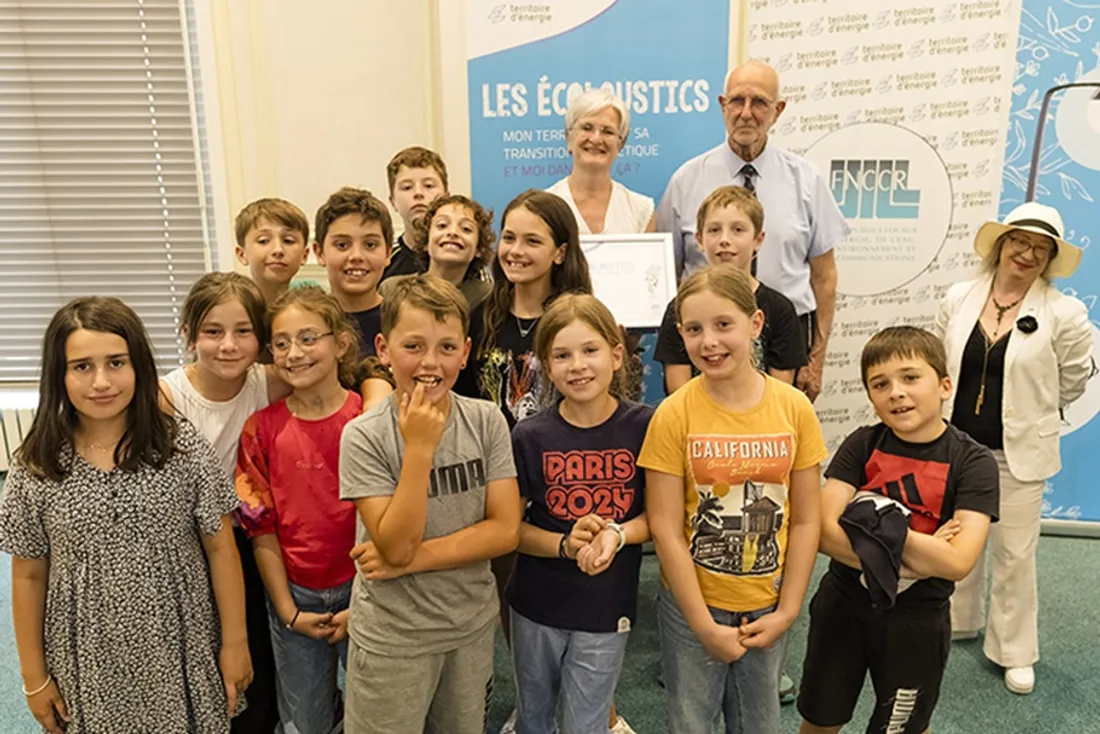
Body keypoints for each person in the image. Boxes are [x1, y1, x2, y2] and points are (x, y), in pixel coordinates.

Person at [0, 297, 251, 734]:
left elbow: (220, 548)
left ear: (139, 366)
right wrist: (32, 678)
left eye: (116, 362)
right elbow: (27, 575)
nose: (101, 381)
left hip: (178, 642)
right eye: (81, 366)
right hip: (86, 651)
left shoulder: (181, 448)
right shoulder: (36, 465)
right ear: (58, 376)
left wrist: (235, 642)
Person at [639, 266, 826, 734]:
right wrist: (702, 624)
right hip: (691, 608)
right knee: (691, 720)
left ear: (755, 324)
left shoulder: (794, 409)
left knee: (760, 723)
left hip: (767, 602)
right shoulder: (672, 414)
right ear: (680, 335)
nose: (710, 342)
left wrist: (787, 610)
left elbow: (805, 519)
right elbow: (664, 526)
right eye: (694, 329)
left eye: (724, 325)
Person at [340, 274, 522, 734]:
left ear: (465, 351)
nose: (431, 363)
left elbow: (504, 531)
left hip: (468, 627)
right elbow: (395, 545)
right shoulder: (364, 436)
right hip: (393, 639)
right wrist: (419, 449)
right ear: (383, 349)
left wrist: (411, 562)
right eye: (413, 346)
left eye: (446, 348)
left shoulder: (486, 420)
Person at [797, 326, 999, 734]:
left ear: (944, 385)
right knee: (821, 719)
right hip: (843, 607)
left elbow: (958, 560)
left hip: (917, 621)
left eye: (910, 377)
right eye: (880, 384)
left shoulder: (973, 462)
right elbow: (821, 532)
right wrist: (916, 555)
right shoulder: (862, 444)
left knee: (902, 727)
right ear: (871, 398)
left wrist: (867, 524)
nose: (896, 392)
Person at [933, 202, 1092, 695]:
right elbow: (940, 363)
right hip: (956, 445)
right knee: (956, 538)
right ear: (1001, 245)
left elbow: (1072, 380)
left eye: (1040, 249)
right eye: (1019, 242)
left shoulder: (1066, 313)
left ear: (1049, 261)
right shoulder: (959, 298)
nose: (1027, 254)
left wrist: (1033, 410)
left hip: (1018, 453)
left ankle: (1014, 652)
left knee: (1015, 553)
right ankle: (958, 620)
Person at [656, 60, 847, 401]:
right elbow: (666, 271)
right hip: (705, 344)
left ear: (778, 110)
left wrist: (814, 359)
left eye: (759, 102)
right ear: (722, 105)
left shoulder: (806, 179)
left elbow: (824, 277)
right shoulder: (686, 180)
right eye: (736, 101)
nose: (746, 113)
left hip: (783, 341)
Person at [508, 294, 653, 734]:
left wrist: (616, 534)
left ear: (616, 353)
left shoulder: (646, 426)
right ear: (546, 367)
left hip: (605, 606)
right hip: (535, 603)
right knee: (533, 716)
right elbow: (510, 530)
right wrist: (565, 546)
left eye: (590, 350)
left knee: (587, 722)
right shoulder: (529, 435)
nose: (578, 365)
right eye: (562, 355)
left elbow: (658, 518)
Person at [161, 272, 292, 734]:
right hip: (188, 543)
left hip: (248, 537)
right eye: (212, 332)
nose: (229, 346)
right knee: (199, 645)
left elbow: (340, 381)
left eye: (243, 332)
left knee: (256, 642)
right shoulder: (168, 397)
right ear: (188, 335)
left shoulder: (268, 382)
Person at [235, 286, 362, 734]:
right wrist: (287, 609)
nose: (294, 353)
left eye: (309, 338)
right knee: (305, 720)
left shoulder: (367, 420)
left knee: (379, 714)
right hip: (295, 595)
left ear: (340, 342)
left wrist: (365, 602)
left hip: (364, 593)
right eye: (282, 343)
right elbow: (259, 528)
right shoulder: (260, 430)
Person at [455, 189, 593, 428]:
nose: (516, 250)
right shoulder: (478, 319)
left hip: (556, 456)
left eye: (532, 241)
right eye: (509, 238)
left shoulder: (580, 322)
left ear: (560, 253)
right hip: (491, 457)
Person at [656, 185, 806, 394]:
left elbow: (781, 391)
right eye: (714, 230)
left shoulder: (780, 309)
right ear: (699, 239)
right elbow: (677, 390)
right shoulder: (680, 307)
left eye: (738, 230)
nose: (724, 240)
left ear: (758, 240)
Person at [313, 186, 396, 409]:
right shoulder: (307, 324)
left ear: (388, 253)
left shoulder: (402, 320)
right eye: (342, 245)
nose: (356, 256)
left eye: (370, 245)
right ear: (319, 252)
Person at [546, 88, 655, 235]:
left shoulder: (641, 210)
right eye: (587, 128)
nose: (596, 139)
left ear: (620, 144)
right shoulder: (543, 208)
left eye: (608, 131)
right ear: (569, 138)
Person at [379, 194, 494, 310]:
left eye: (466, 229)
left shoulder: (487, 298)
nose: (452, 232)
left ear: (479, 249)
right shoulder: (394, 290)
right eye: (442, 225)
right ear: (426, 242)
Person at [382, 146, 450, 281]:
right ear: (392, 201)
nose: (418, 193)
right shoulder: (385, 259)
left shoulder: (463, 254)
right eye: (407, 187)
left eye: (429, 185)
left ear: (446, 197)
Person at [234, 197, 312, 306]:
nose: (278, 249)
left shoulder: (313, 310)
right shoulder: (233, 311)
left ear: (305, 255)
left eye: (288, 241)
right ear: (242, 254)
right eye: (263, 241)